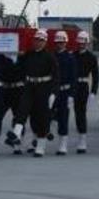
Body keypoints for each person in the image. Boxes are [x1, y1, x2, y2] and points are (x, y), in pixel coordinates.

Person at [7, 29, 59, 158]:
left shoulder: (50, 57)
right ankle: (17, 133)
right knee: (22, 110)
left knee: (40, 117)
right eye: (36, 40)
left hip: (44, 88)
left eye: (41, 40)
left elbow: (56, 77)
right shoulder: (28, 54)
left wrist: (53, 93)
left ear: (45, 42)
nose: (38, 42)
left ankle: (40, 147)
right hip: (29, 86)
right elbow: (18, 68)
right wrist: (14, 57)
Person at [52, 31, 77, 156]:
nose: (59, 44)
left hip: (65, 91)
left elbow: (73, 77)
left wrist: (71, 95)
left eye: (61, 42)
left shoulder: (70, 58)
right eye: (57, 42)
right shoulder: (52, 57)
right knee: (47, 115)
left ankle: (63, 144)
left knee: (63, 118)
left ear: (65, 43)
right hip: (53, 91)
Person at [74, 31, 99, 154]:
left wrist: (93, 92)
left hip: (83, 86)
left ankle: (82, 140)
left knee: (80, 114)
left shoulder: (91, 57)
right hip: (71, 86)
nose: (81, 45)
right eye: (79, 43)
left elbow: (96, 76)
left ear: (87, 43)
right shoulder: (72, 55)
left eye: (83, 43)